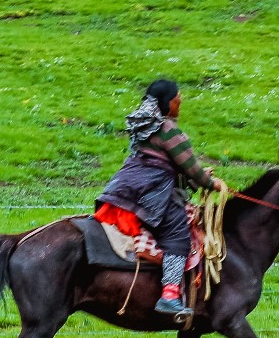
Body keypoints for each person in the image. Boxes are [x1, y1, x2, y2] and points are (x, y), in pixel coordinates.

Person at [96, 77, 226, 319]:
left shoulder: (144, 126)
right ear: (167, 103)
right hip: (151, 194)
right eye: (177, 99)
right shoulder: (169, 130)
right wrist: (211, 183)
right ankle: (169, 296)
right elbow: (192, 168)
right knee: (177, 235)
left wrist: (192, 179)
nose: (180, 103)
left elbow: (164, 166)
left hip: (123, 188)